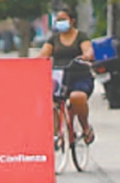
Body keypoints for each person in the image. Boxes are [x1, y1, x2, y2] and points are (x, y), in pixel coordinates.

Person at [38, 8, 96, 143]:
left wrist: (87, 56)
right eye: (58, 20)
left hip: (79, 75)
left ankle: (85, 127)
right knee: (51, 103)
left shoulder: (81, 36)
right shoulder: (53, 39)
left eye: (63, 19)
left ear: (72, 21)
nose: (60, 23)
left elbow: (88, 49)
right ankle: (57, 134)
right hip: (59, 77)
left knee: (77, 97)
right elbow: (44, 54)